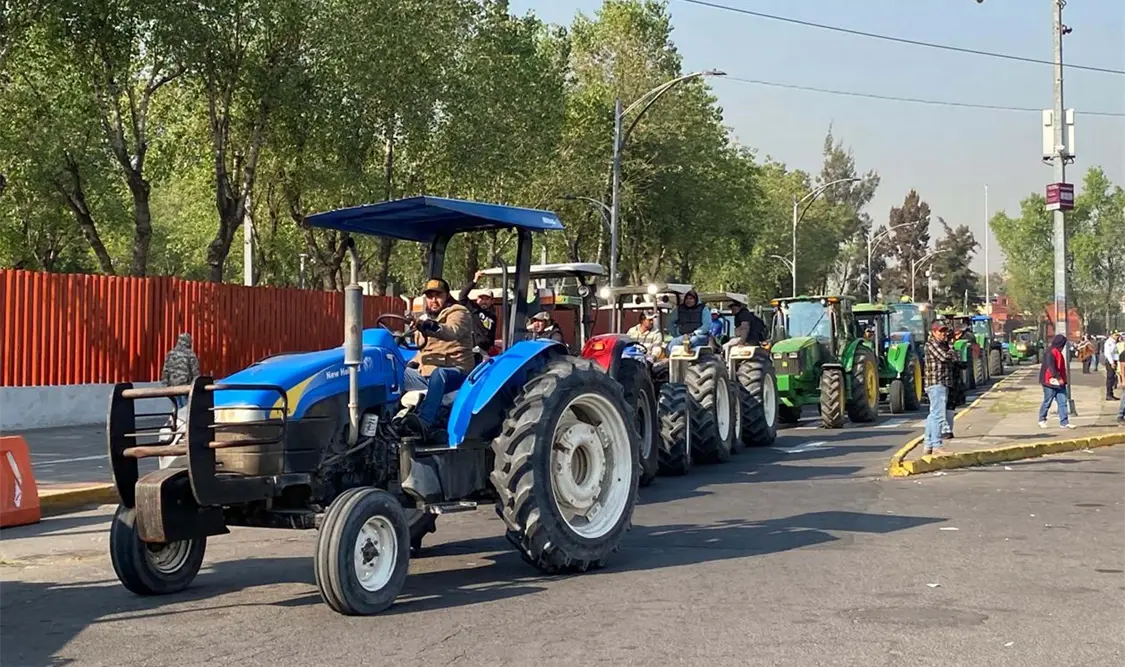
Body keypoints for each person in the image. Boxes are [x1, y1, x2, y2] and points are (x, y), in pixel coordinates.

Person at [402, 278, 474, 437]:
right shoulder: (424, 318)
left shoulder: (458, 312)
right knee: (394, 372)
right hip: (425, 374)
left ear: (447, 296)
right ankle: (392, 419)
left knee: (439, 373)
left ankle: (425, 422)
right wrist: (411, 364)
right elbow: (424, 350)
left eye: (438, 295)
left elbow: (452, 331)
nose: (433, 300)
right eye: (430, 296)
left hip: (456, 371)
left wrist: (427, 326)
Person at [923, 322, 956, 456]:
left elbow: (955, 358)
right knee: (938, 415)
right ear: (933, 332)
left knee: (933, 415)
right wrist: (951, 349)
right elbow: (944, 357)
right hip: (936, 383)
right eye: (940, 332)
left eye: (944, 331)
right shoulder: (931, 345)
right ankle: (937, 445)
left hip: (943, 382)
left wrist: (951, 351)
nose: (943, 334)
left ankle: (928, 444)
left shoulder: (943, 345)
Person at [457, 270, 499, 354]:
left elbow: (491, 333)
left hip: (486, 351)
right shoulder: (474, 309)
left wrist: (491, 345)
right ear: (477, 300)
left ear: (492, 301)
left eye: (487, 299)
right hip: (474, 350)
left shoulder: (493, 316)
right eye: (481, 299)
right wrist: (475, 281)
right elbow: (462, 296)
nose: (484, 301)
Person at [1039, 333, 1075, 429]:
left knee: (1062, 402)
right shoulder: (1050, 352)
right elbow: (1051, 367)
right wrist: (1058, 378)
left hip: (1059, 382)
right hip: (1049, 381)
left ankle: (1064, 422)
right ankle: (1042, 419)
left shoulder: (1057, 352)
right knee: (1048, 401)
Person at [161, 333, 201, 407]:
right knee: (186, 408)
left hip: (172, 387)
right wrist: (197, 386)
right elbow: (195, 372)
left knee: (176, 407)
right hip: (186, 387)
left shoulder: (170, 353)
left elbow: (165, 370)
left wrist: (165, 385)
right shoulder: (190, 354)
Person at [1104, 332, 1120, 400]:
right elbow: (1108, 353)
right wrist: (1112, 362)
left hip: (1114, 361)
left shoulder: (1114, 342)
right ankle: (1108, 395)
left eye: (1118, 335)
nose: (1117, 336)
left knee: (1113, 378)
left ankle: (1111, 394)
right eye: (1116, 335)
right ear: (1112, 335)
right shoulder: (1109, 343)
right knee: (1110, 378)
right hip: (1110, 362)